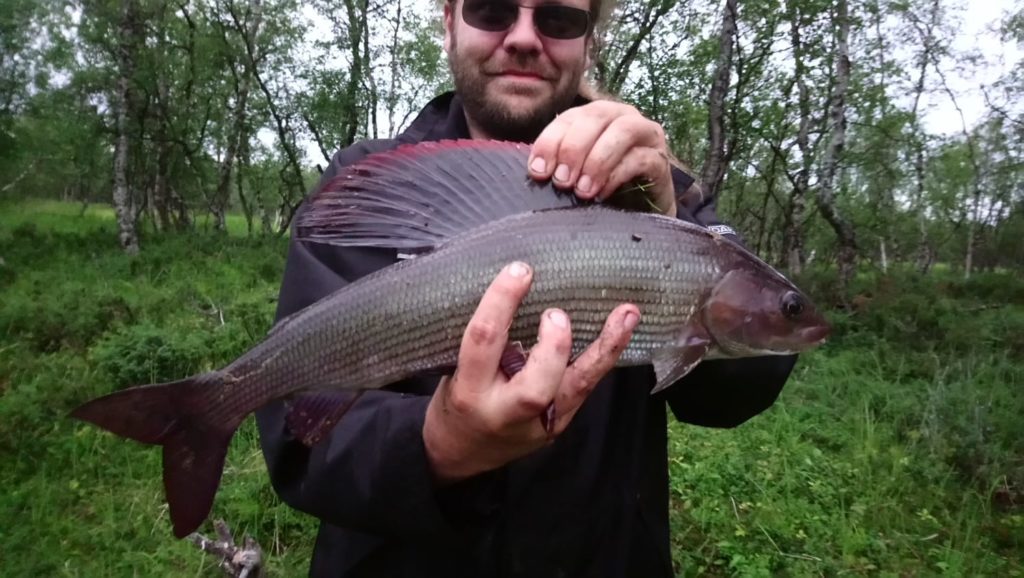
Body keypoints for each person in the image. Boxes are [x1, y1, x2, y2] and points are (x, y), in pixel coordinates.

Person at [256, 0, 797, 576]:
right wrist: (436, 445)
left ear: (589, 40)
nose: (522, 37)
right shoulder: (368, 184)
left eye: (557, 19)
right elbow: (298, 436)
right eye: (491, 11)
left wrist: (669, 219)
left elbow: (742, 385)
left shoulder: (653, 185)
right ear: (449, 23)